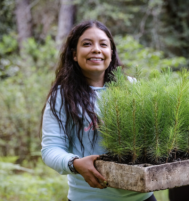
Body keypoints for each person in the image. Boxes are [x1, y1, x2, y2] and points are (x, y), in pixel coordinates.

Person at [40, 20, 156, 201]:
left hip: (140, 197)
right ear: (74, 55)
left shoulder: (132, 87)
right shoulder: (62, 96)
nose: (96, 49)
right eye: (87, 44)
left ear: (111, 53)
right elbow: (51, 149)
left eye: (103, 44)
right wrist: (75, 163)